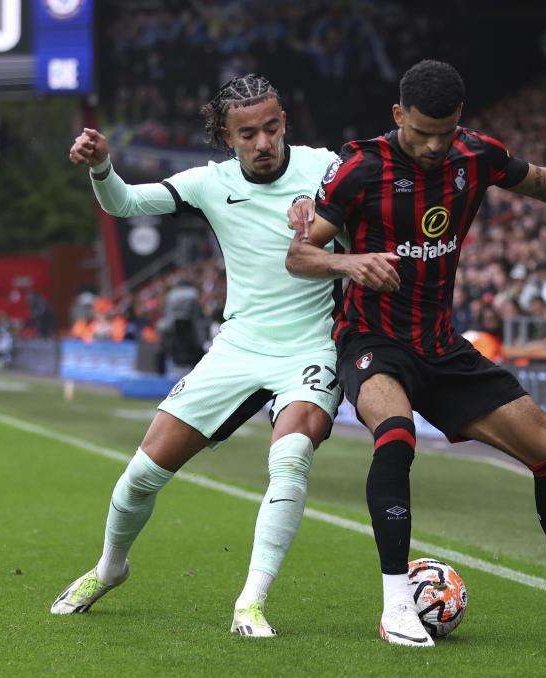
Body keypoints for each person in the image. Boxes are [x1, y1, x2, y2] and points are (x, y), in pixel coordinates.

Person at [286, 60, 546, 646]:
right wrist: (349, 262)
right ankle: (396, 605)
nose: (436, 146)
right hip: (372, 339)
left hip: (441, 346)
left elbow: (545, 181)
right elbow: (299, 255)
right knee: (396, 437)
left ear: (460, 120)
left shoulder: (477, 155)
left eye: (445, 133)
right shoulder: (359, 167)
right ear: (398, 116)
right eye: (421, 133)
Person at [50, 74, 344, 638]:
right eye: (248, 133)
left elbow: (376, 202)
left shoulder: (326, 168)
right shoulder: (211, 183)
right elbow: (127, 203)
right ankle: (111, 567)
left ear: (285, 123)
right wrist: (101, 167)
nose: (264, 142)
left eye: (272, 128)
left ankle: (250, 604)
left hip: (313, 345)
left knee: (290, 456)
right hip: (238, 347)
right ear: (227, 138)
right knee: (141, 476)